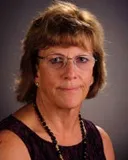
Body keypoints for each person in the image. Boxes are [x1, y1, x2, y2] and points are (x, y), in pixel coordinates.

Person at [0, 1, 115, 160]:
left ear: (94, 73)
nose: (70, 73)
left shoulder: (101, 141)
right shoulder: (9, 144)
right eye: (56, 60)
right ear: (36, 70)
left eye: (81, 59)